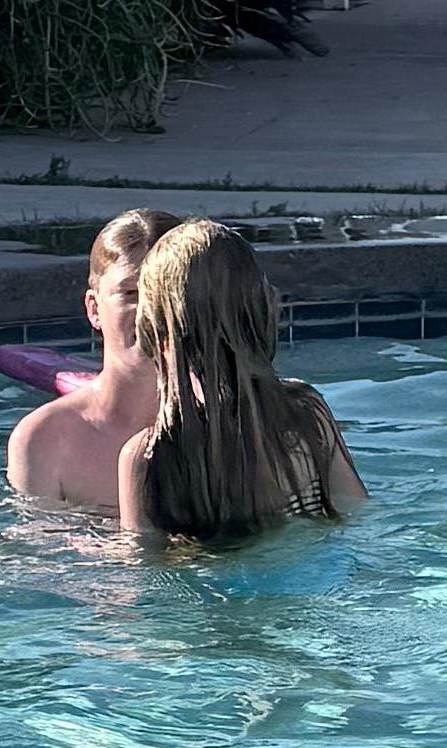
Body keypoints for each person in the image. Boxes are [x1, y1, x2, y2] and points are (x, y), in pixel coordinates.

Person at [119, 218, 365, 547]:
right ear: (262, 310)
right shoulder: (306, 414)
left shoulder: (148, 455)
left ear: (156, 329)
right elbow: (358, 514)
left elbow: (142, 566)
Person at [4, 210, 168, 515]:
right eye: (130, 293)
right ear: (94, 309)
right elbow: (36, 556)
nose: (150, 311)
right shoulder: (46, 439)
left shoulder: (234, 424)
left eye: (166, 294)